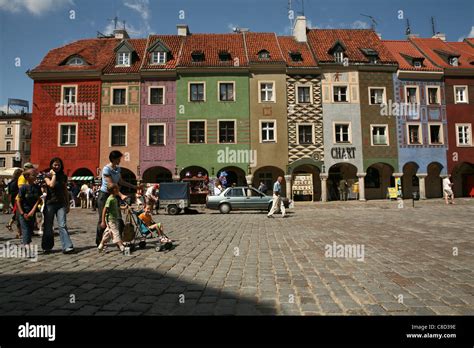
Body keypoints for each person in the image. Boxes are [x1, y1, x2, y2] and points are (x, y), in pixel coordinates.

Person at [96, 151, 138, 246]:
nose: (120, 160)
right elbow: (111, 185)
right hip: (104, 195)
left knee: (118, 218)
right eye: (119, 158)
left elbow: (121, 181)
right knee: (102, 219)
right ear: (114, 159)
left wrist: (133, 186)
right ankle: (99, 241)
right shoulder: (106, 169)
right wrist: (121, 195)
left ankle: (119, 240)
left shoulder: (118, 169)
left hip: (114, 195)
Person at [42, 157, 74, 254]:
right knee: (48, 226)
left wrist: (68, 204)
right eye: (55, 165)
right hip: (49, 204)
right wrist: (54, 175)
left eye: (59, 165)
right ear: (51, 165)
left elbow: (65, 190)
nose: (57, 166)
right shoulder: (47, 175)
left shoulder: (63, 176)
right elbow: (51, 185)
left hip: (61, 204)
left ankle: (67, 246)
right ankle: (47, 247)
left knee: (62, 225)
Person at [16, 169, 42, 249]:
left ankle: (25, 242)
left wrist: (32, 211)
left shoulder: (37, 187)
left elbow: (39, 199)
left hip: (32, 212)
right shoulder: (23, 188)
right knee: (25, 228)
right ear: (27, 177)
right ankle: (27, 245)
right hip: (23, 211)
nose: (35, 176)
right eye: (33, 175)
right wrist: (22, 213)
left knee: (30, 229)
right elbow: (18, 201)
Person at [98, 183, 126, 253]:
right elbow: (104, 209)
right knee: (115, 232)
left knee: (108, 232)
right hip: (110, 219)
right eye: (117, 189)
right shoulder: (110, 199)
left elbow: (117, 208)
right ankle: (121, 246)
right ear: (114, 190)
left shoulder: (115, 199)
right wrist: (103, 221)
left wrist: (124, 207)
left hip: (115, 218)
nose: (118, 190)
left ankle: (101, 244)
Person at [6, 168, 23, 238]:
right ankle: (19, 232)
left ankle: (10, 224)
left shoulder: (10, 182)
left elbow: (9, 193)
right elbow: (19, 191)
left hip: (12, 199)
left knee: (16, 214)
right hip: (17, 199)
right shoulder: (18, 182)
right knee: (17, 215)